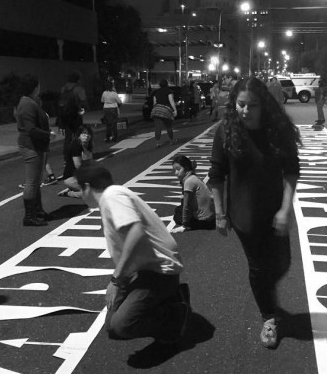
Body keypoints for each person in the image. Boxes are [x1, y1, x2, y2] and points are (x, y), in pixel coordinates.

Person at [208, 77, 300, 349]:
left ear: (264, 106)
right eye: (241, 104)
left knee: (282, 263)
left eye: (252, 106)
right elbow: (216, 175)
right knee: (259, 267)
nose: (245, 111)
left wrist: (285, 208)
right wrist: (220, 214)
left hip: (275, 210)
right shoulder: (226, 131)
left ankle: (265, 291)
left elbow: (292, 170)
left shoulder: (277, 130)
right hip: (244, 214)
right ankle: (269, 318)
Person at [75, 164, 190, 344]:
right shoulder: (113, 196)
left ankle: (175, 314)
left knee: (121, 326)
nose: (80, 195)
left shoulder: (111, 196)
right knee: (111, 325)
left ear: (87, 187)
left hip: (158, 271)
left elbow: (136, 232)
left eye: (79, 190)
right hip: (140, 269)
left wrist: (115, 280)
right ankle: (169, 298)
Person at [16, 75, 56, 227]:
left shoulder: (29, 102)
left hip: (35, 145)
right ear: (34, 87)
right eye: (38, 86)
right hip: (31, 146)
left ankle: (38, 211)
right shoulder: (27, 104)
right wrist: (48, 134)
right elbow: (31, 129)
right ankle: (29, 216)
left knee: (36, 181)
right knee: (32, 182)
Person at [170, 155, 216, 233]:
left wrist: (184, 225)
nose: (176, 173)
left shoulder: (189, 182)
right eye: (174, 170)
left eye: (178, 169)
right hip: (212, 216)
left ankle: (191, 225)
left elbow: (186, 205)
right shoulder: (193, 177)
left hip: (205, 221)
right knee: (178, 209)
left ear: (186, 168)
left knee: (177, 217)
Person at [58, 72, 88, 174]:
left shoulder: (63, 88)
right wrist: (84, 109)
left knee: (67, 138)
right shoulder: (78, 88)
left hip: (65, 117)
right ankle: (78, 157)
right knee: (78, 136)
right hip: (75, 115)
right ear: (77, 80)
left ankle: (66, 159)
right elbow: (83, 101)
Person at [58, 124, 95, 199]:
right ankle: (69, 193)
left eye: (88, 133)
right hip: (71, 177)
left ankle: (75, 188)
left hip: (81, 175)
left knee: (101, 188)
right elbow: (78, 165)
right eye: (84, 133)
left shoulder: (89, 144)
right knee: (91, 194)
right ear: (79, 135)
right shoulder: (76, 145)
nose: (86, 136)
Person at [151, 79, 178, 148]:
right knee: (168, 126)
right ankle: (171, 140)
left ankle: (158, 142)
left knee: (158, 127)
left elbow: (154, 102)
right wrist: (175, 110)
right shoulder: (169, 91)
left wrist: (156, 109)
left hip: (157, 109)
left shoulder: (156, 92)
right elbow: (171, 101)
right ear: (167, 84)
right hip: (166, 110)